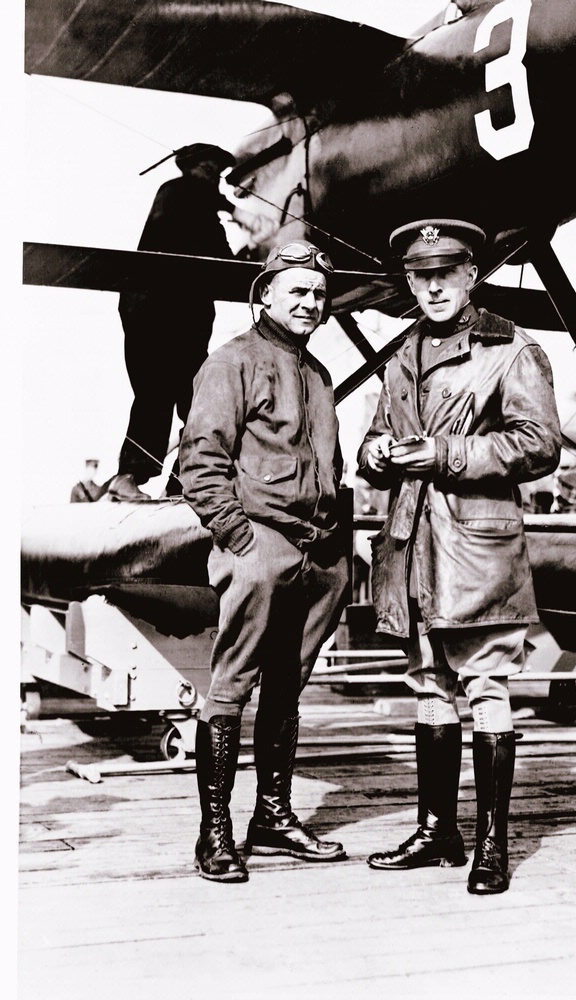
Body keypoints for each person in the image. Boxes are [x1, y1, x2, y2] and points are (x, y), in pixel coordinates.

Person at [357, 219, 561, 895]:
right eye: (422, 275)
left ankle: (492, 845)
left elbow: (537, 445)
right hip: (412, 544)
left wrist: (444, 453)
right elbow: (373, 438)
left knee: (485, 687)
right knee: (428, 685)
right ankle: (436, 830)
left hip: (475, 547)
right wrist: (375, 456)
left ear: (472, 274)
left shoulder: (509, 348)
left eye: (447, 272)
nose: (435, 285)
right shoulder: (400, 354)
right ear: (409, 282)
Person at [179, 240, 350, 883]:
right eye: (297, 292)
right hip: (260, 543)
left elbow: (327, 465)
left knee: (288, 685)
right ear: (265, 295)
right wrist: (239, 537)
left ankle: (273, 818)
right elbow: (201, 459)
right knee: (231, 687)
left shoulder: (318, 374)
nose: (310, 302)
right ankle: (215, 830)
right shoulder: (231, 362)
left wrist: (337, 546)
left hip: (319, 551)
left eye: (318, 293)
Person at [105, 143, 242, 502]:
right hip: (159, 319)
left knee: (201, 401)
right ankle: (128, 477)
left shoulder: (195, 207)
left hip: (181, 325)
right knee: (157, 395)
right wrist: (239, 212)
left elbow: (223, 262)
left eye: (217, 174)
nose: (215, 180)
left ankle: (183, 481)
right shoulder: (178, 193)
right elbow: (214, 249)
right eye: (209, 171)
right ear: (190, 168)